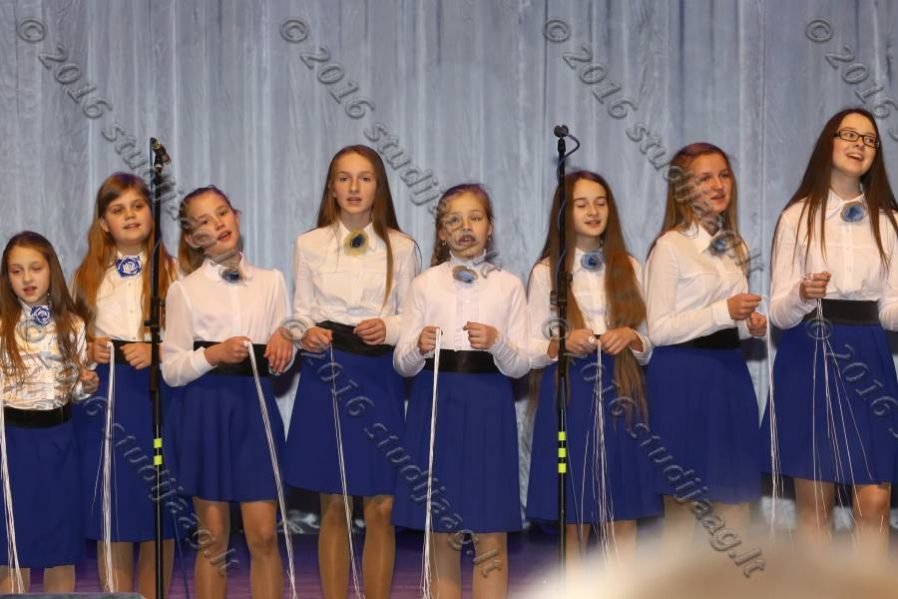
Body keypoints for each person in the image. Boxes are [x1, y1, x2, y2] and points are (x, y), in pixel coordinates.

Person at [284, 144, 418, 599]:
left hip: (379, 376)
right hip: (328, 374)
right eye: (344, 178)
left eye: (364, 178)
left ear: (379, 187)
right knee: (334, 503)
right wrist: (304, 333)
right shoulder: (309, 244)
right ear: (332, 187)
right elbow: (300, 313)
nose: (354, 187)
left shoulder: (403, 247)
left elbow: (411, 318)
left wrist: (390, 327)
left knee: (381, 505)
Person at [767, 108, 898, 555]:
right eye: (850, 135)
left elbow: (890, 308)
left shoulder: (889, 220)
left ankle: (870, 586)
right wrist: (803, 293)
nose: (860, 145)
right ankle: (815, 586)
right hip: (810, 353)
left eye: (869, 139)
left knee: (875, 499)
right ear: (829, 142)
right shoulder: (796, 216)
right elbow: (778, 312)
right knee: (815, 506)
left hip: (869, 354)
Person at [392, 183, 529, 599]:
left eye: (475, 218)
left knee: (490, 532)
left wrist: (498, 343)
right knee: (443, 531)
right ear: (441, 232)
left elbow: (522, 365)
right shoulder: (424, 285)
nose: (465, 227)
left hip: (490, 404)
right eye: (454, 220)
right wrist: (418, 348)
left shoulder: (508, 285)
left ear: (490, 227)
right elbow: (401, 363)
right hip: (436, 405)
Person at [161, 186, 294, 599]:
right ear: (192, 238)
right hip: (205, 411)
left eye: (222, 212)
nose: (217, 224)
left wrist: (286, 344)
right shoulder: (184, 291)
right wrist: (212, 355)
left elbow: (286, 344)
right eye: (203, 221)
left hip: (254, 409)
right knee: (213, 538)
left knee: (264, 534)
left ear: (236, 216)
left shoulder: (272, 282)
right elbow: (171, 369)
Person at [526, 170, 660, 563]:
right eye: (582, 204)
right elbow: (529, 346)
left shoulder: (630, 266)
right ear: (564, 213)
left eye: (600, 203)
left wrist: (631, 336)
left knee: (623, 507)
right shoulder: (546, 272)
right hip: (571, 391)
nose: (593, 211)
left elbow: (652, 340)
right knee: (575, 510)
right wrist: (561, 343)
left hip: (623, 387)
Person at [644, 143, 766, 545]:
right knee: (683, 502)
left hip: (729, 375)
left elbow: (729, 321)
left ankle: (731, 577)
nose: (718, 185)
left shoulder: (736, 246)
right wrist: (723, 311)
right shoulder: (670, 246)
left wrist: (750, 326)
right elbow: (659, 329)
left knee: (736, 497)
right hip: (681, 378)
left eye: (724, 175)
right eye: (705, 178)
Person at [71, 172, 178, 596]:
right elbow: (69, 342)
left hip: (157, 397)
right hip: (107, 400)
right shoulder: (86, 276)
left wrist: (159, 349)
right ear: (103, 223)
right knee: (111, 512)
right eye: (118, 210)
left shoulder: (175, 270)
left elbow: (194, 340)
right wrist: (88, 347)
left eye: (137, 206)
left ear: (152, 213)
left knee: (157, 513)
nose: (130, 215)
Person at [0, 231, 99, 593]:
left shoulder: (72, 325)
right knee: (13, 547)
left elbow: (74, 391)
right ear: (7, 277)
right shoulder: (2, 325)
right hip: (13, 444)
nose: (27, 278)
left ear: (51, 270)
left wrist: (87, 385)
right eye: (16, 271)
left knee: (61, 544)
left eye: (35, 268)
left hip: (59, 442)